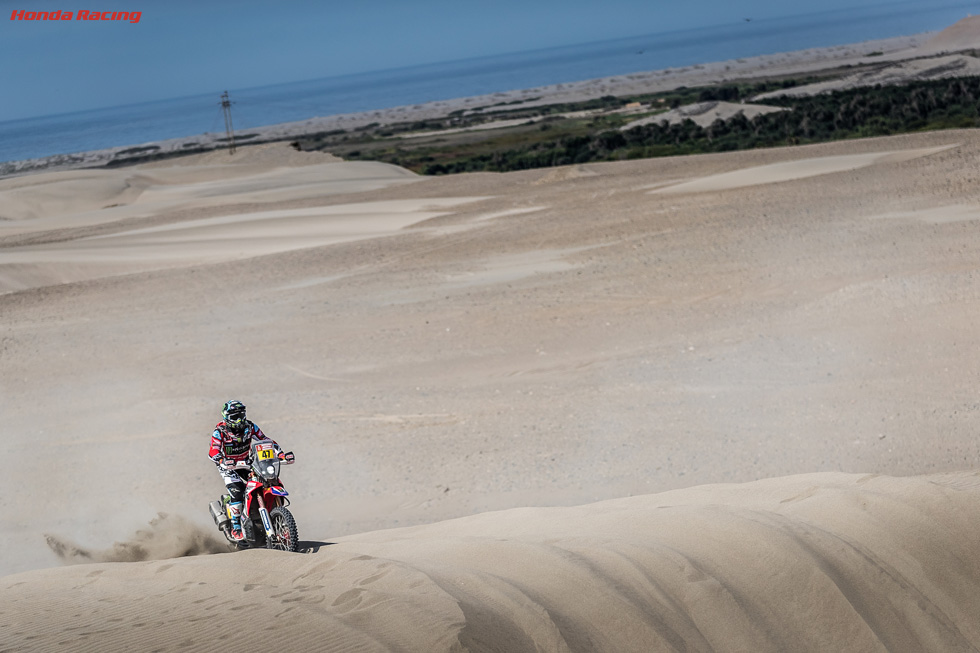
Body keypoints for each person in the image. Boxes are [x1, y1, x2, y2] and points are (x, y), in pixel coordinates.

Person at [208, 400, 286, 541]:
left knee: (266, 481)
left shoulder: (250, 427)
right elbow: (213, 450)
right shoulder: (220, 432)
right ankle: (236, 526)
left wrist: (280, 453)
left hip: (246, 463)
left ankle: (273, 517)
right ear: (226, 417)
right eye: (234, 417)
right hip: (228, 466)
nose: (239, 420)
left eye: (241, 415)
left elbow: (265, 440)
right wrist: (221, 460)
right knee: (238, 491)